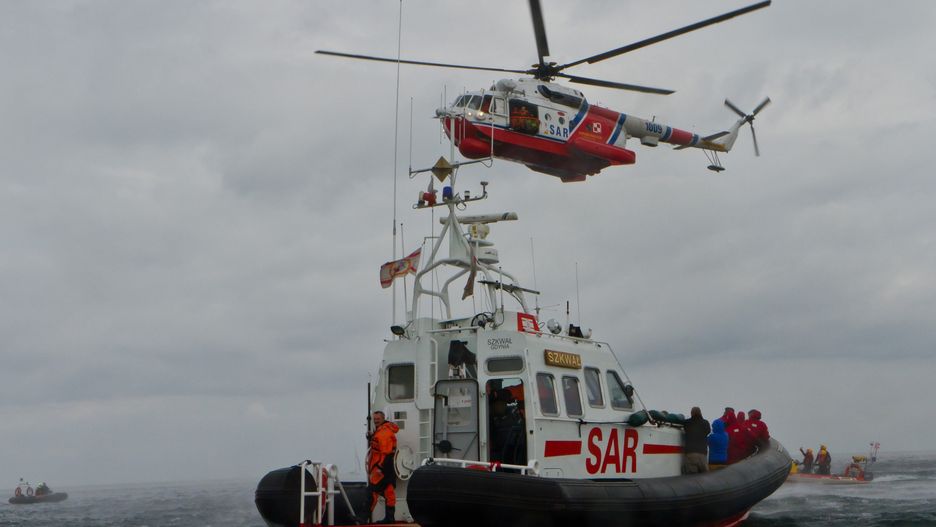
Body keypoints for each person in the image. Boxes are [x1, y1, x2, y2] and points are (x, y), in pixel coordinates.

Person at [367, 411, 399, 524]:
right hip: (387, 467)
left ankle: (363, 517)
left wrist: (380, 468)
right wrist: (371, 437)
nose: (375, 421)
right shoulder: (381, 430)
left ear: (383, 419)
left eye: (378, 419)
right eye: (374, 419)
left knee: (372, 491)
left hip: (382, 467)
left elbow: (386, 453)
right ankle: (390, 519)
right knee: (389, 491)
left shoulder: (384, 432)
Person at [682, 407, 711, 474]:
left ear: (691, 413)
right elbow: (708, 431)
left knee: (691, 477)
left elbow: (685, 428)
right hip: (702, 454)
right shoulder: (705, 423)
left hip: (690, 453)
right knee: (704, 477)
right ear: (700, 413)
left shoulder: (687, 423)